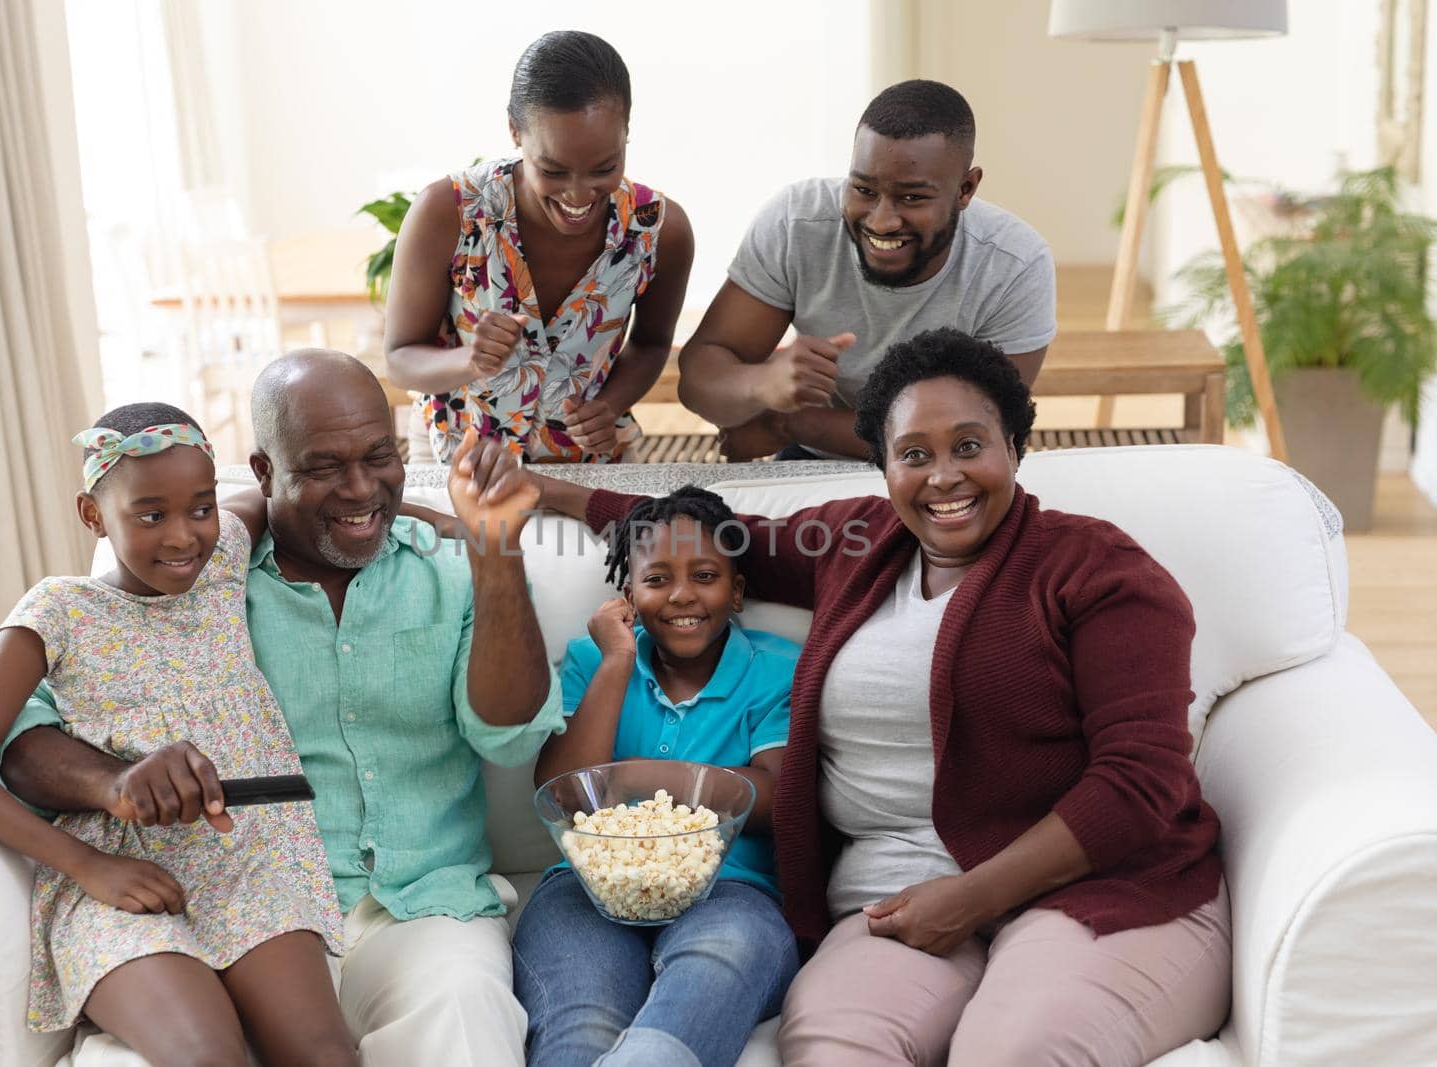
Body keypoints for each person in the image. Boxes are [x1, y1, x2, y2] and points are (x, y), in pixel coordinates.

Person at [518, 329, 1230, 1064]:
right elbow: (714, 545)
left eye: (969, 446)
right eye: (913, 454)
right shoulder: (858, 541)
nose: (943, 477)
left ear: (1015, 446)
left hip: (1097, 892)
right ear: (883, 465)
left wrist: (974, 895)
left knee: (1013, 1050)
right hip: (896, 900)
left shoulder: (1097, 570)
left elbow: (1140, 782)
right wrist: (547, 492)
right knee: (831, 1048)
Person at [0, 351, 564, 1067]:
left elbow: (511, 739)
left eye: (379, 457)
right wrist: (112, 781)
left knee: (467, 1027)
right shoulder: (195, 580)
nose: (360, 487)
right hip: (239, 910)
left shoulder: (454, 569)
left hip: (423, 910)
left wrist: (494, 549)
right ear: (264, 473)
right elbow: (19, 733)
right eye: (324, 467)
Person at [0, 403, 357, 1067]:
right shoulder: (59, 611)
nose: (184, 536)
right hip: (117, 882)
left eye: (200, 507)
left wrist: (432, 516)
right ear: (93, 516)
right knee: (209, 1056)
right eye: (151, 515)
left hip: (246, 867)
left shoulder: (224, 560)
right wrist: (87, 865)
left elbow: (282, 500)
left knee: (326, 1056)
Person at [514, 487, 801, 1067]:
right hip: (585, 887)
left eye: (705, 575)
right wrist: (618, 661)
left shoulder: (776, 668)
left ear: (737, 592)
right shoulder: (593, 660)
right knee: (580, 1023)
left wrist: (635, 777)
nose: (682, 596)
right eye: (657, 580)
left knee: (712, 973)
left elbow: (776, 801)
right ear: (628, 595)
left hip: (732, 891)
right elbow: (565, 795)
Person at [677, 80, 1056, 462]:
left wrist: (790, 424)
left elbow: (974, 437)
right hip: (819, 458)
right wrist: (761, 385)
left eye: (912, 197)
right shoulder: (796, 223)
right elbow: (698, 381)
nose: (882, 221)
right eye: (864, 190)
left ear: (965, 189)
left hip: (945, 475)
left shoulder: (1015, 265)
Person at [384, 29, 693, 464]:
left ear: (626, 131)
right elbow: (399, 358)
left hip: (591, 464)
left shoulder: (658, 230)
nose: (579, 194)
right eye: (553, 170)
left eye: (605, 167)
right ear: (514, 131)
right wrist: (469, 361)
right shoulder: (449, 212)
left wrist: (608, 406)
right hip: (458, 458)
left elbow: (651, 345)